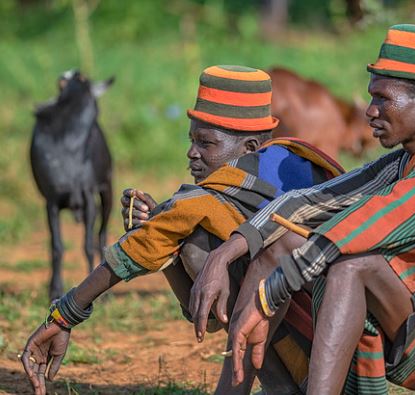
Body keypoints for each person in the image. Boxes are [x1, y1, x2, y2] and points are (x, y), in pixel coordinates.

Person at [195, 13, 415, 395]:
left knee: (353, 265)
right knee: (285, 241)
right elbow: (306, 202)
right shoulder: (401, 163)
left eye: (382, 98)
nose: (370, 110)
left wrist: (269, 294)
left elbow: (373, 221)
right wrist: (223, 255)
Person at [20, 65, 344, 395]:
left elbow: (161, 233)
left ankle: (267, 388)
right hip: (342, 357)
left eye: (206, 143)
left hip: (319, 362)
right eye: (192, 140)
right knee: (195, 240)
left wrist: (62, 317)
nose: (192, 153)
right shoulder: (291, 160)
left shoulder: (210, 196)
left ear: (249, 147)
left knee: (204, 242)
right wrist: (163, 229)